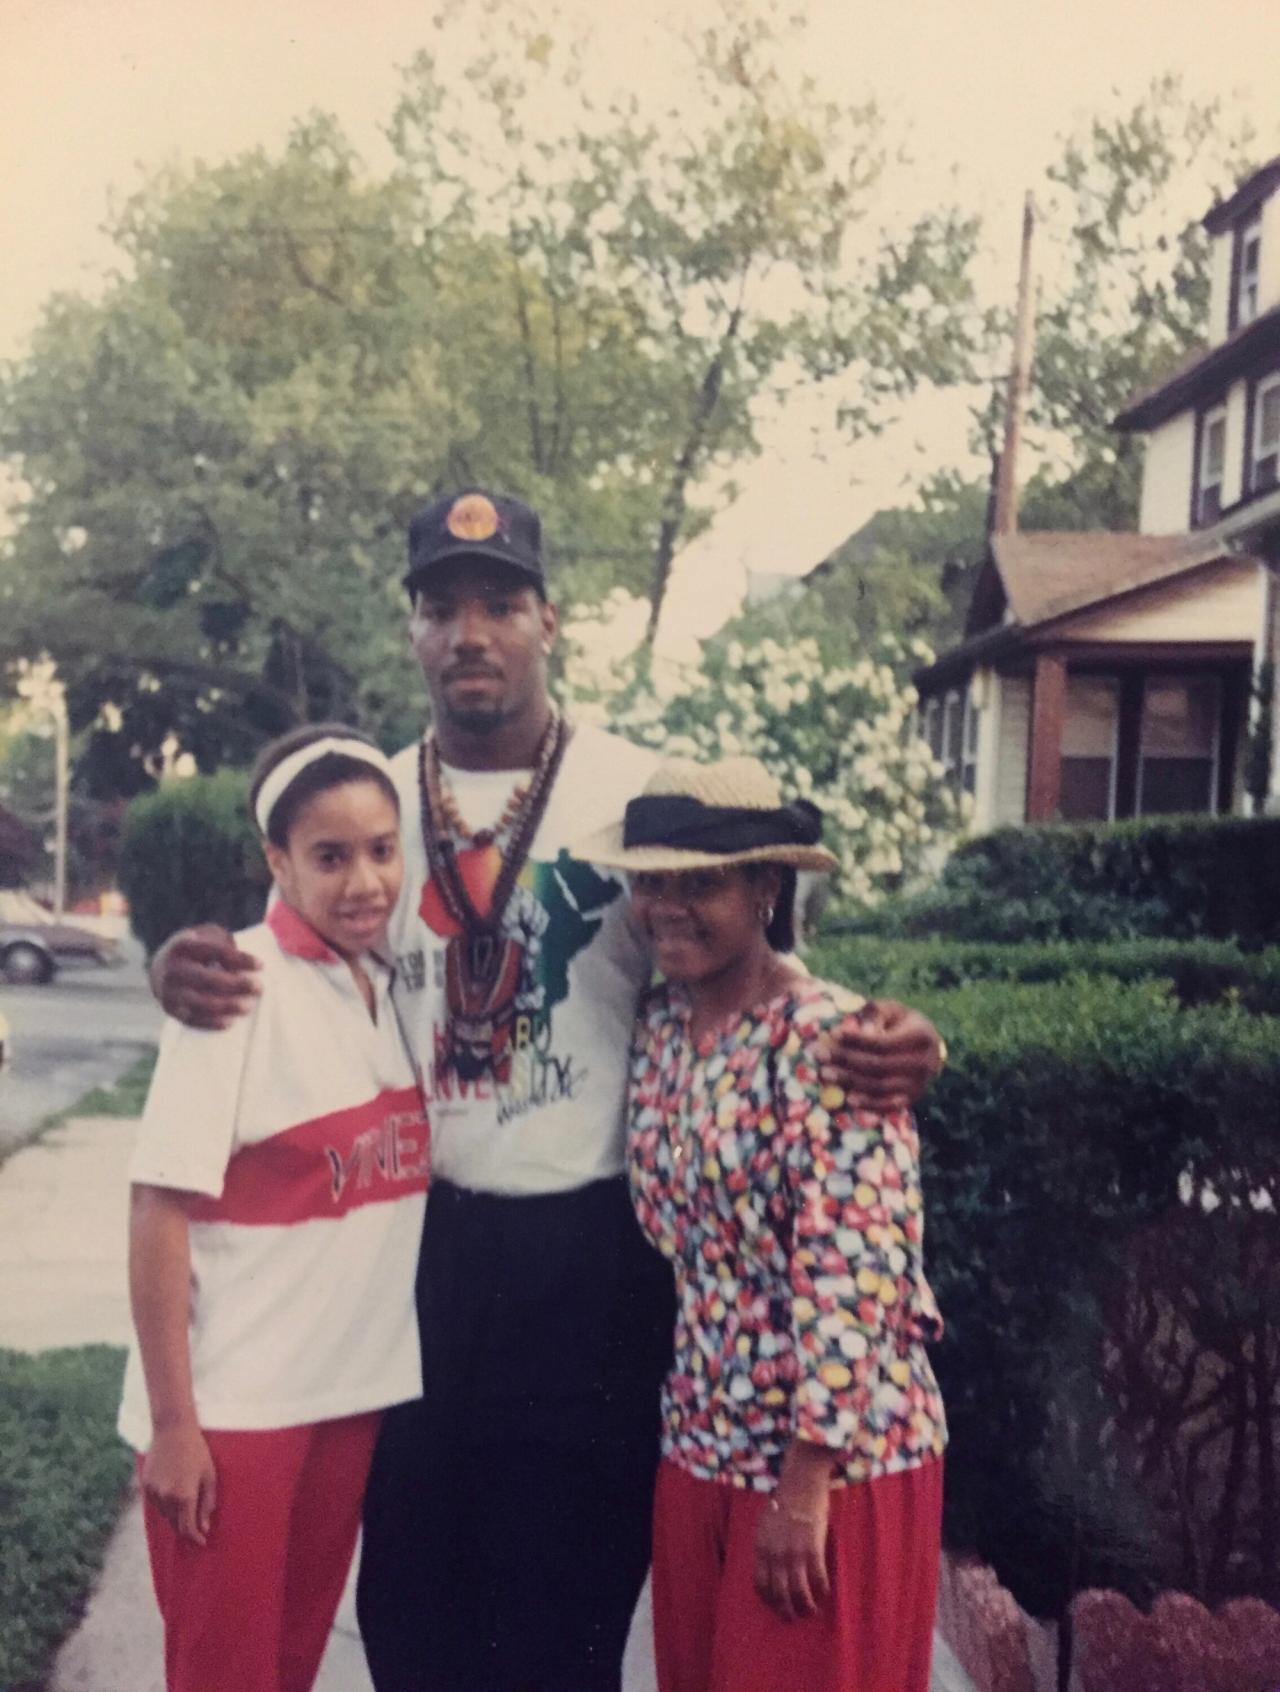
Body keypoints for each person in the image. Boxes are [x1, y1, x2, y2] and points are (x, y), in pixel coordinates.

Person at [151, 488, 946, 1692]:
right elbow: (273, 951)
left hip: (588, 1259)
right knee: (411, 1607)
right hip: (414, 1252)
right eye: (442, 607)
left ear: (548, 621)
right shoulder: (369, 803)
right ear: (413, 629)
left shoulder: (632, 793)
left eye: (500, 604)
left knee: (563, 1616)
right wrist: (175, 961)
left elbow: (749, 959)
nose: (470, 632)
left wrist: (905, 1038)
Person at [575, 753, 947, 1692]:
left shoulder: (836, 1041)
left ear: (765, 889)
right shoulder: (663, 1026)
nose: (667, 907)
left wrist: (806, 1480)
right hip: (700, 1437)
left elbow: (859, 1267)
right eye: (651, 882)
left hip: (830, 1464)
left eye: (699, 884)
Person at [119, 725, 431, 1692]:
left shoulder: (388, 984)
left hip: (345, 1398)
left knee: (287, 1670)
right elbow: (157, 1210)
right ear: (277, 862)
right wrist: (175, 1425)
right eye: (330, 857)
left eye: (381, 850)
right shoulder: (235, 990)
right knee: (224, 1675)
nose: (365, 882)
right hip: (234, 1414)